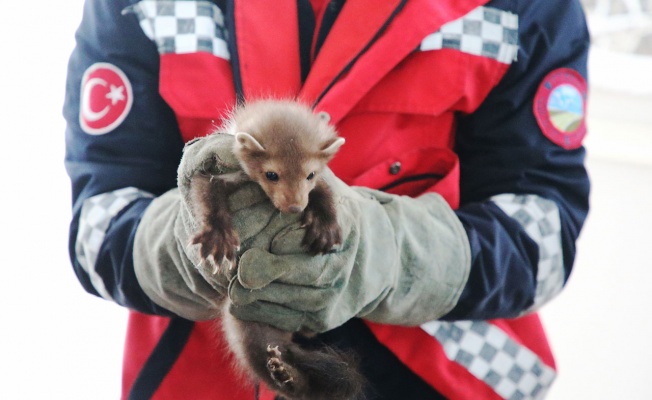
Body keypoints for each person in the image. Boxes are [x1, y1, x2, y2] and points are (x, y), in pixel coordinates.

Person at [64, 0, 590, 398]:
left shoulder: (523, 9)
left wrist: (388, 255)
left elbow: (544, 239)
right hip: (201, 378)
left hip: (441, 376)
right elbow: (97, 224)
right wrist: (189, 245)